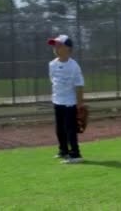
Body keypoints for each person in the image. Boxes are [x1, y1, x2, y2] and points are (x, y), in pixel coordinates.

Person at [47, 34, 85, 164]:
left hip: (70, 103)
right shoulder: (52, 64)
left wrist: (79, 105)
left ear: (68, 48)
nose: (55, 48)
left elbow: (79, 85)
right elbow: (53, 81)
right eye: (55, 46)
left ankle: (75, 154)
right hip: (57, 101)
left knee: (70, 129)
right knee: (59, 129)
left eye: (59, 45)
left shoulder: (74, 66)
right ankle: (63, 150)